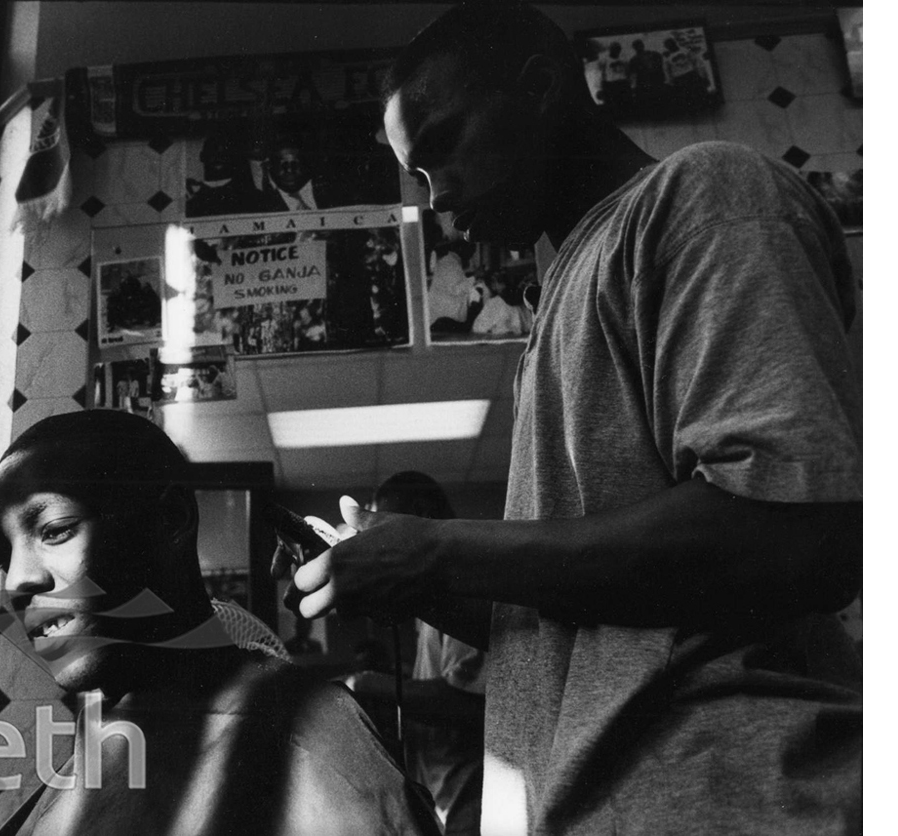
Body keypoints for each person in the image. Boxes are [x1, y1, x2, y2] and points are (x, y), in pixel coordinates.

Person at [277, 2, 862, 834]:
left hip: (731, 798)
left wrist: (444, 546)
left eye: (444, 143)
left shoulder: (704, 193)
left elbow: (797, 534)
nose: (437, 196)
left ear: (542, 88)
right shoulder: (556, 302)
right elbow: (574, 632)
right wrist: (418, 576)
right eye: (417, 175)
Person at [0, 410, 441, 836]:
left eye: (55, 530)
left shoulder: (301, 738)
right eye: (4, 559)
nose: (20, 580)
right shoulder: (80, 769)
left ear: (171, 518)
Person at [342, 473, 487, 836]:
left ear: (420, 514)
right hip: (443, 794)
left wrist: (371, 684)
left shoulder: (466, 586)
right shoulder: (430, 597)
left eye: (383, 526)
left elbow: (470, 702)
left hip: (470, 800)